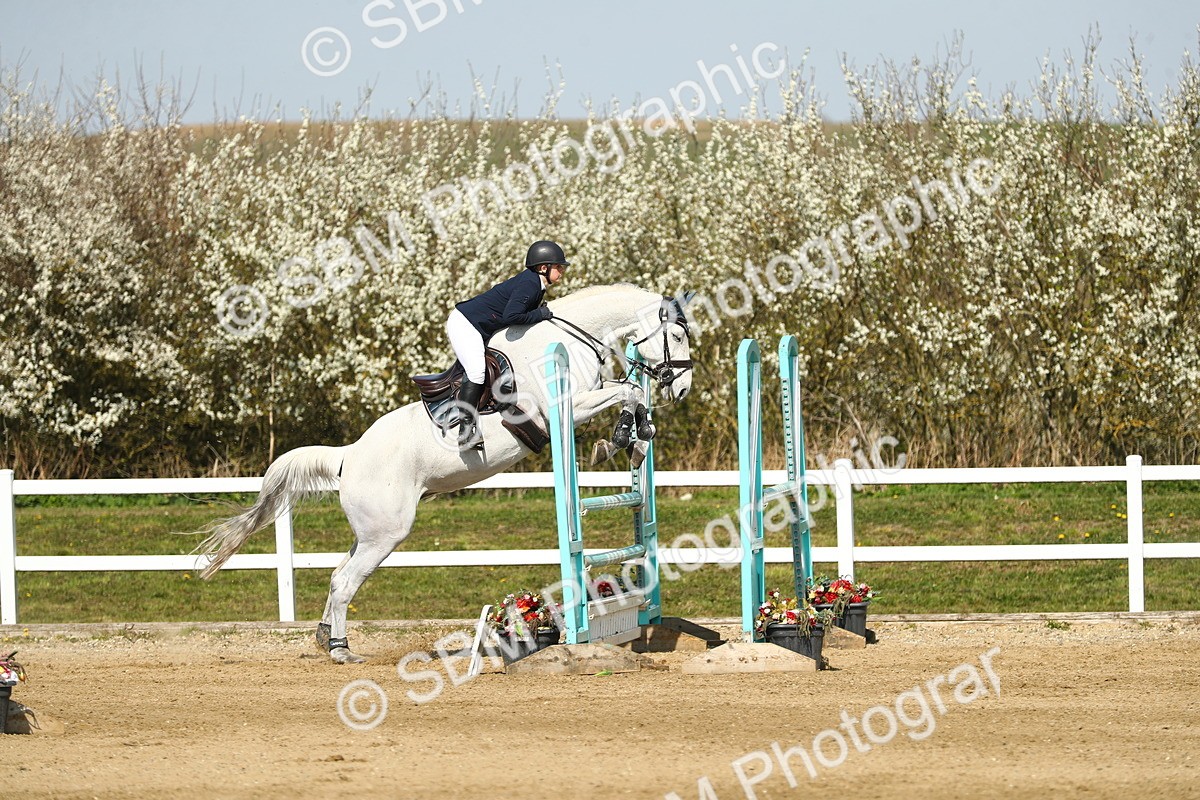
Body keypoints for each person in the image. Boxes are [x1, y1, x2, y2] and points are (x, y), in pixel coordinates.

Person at [445, 239, 570, 446]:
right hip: (465, 324)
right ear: (543, 267)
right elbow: (511, 317)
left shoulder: (536, 284)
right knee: (477, 371)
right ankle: (465, 429)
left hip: (480, 326)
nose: (562, 271)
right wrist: (540, 314)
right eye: (558, 267)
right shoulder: (530, 284)